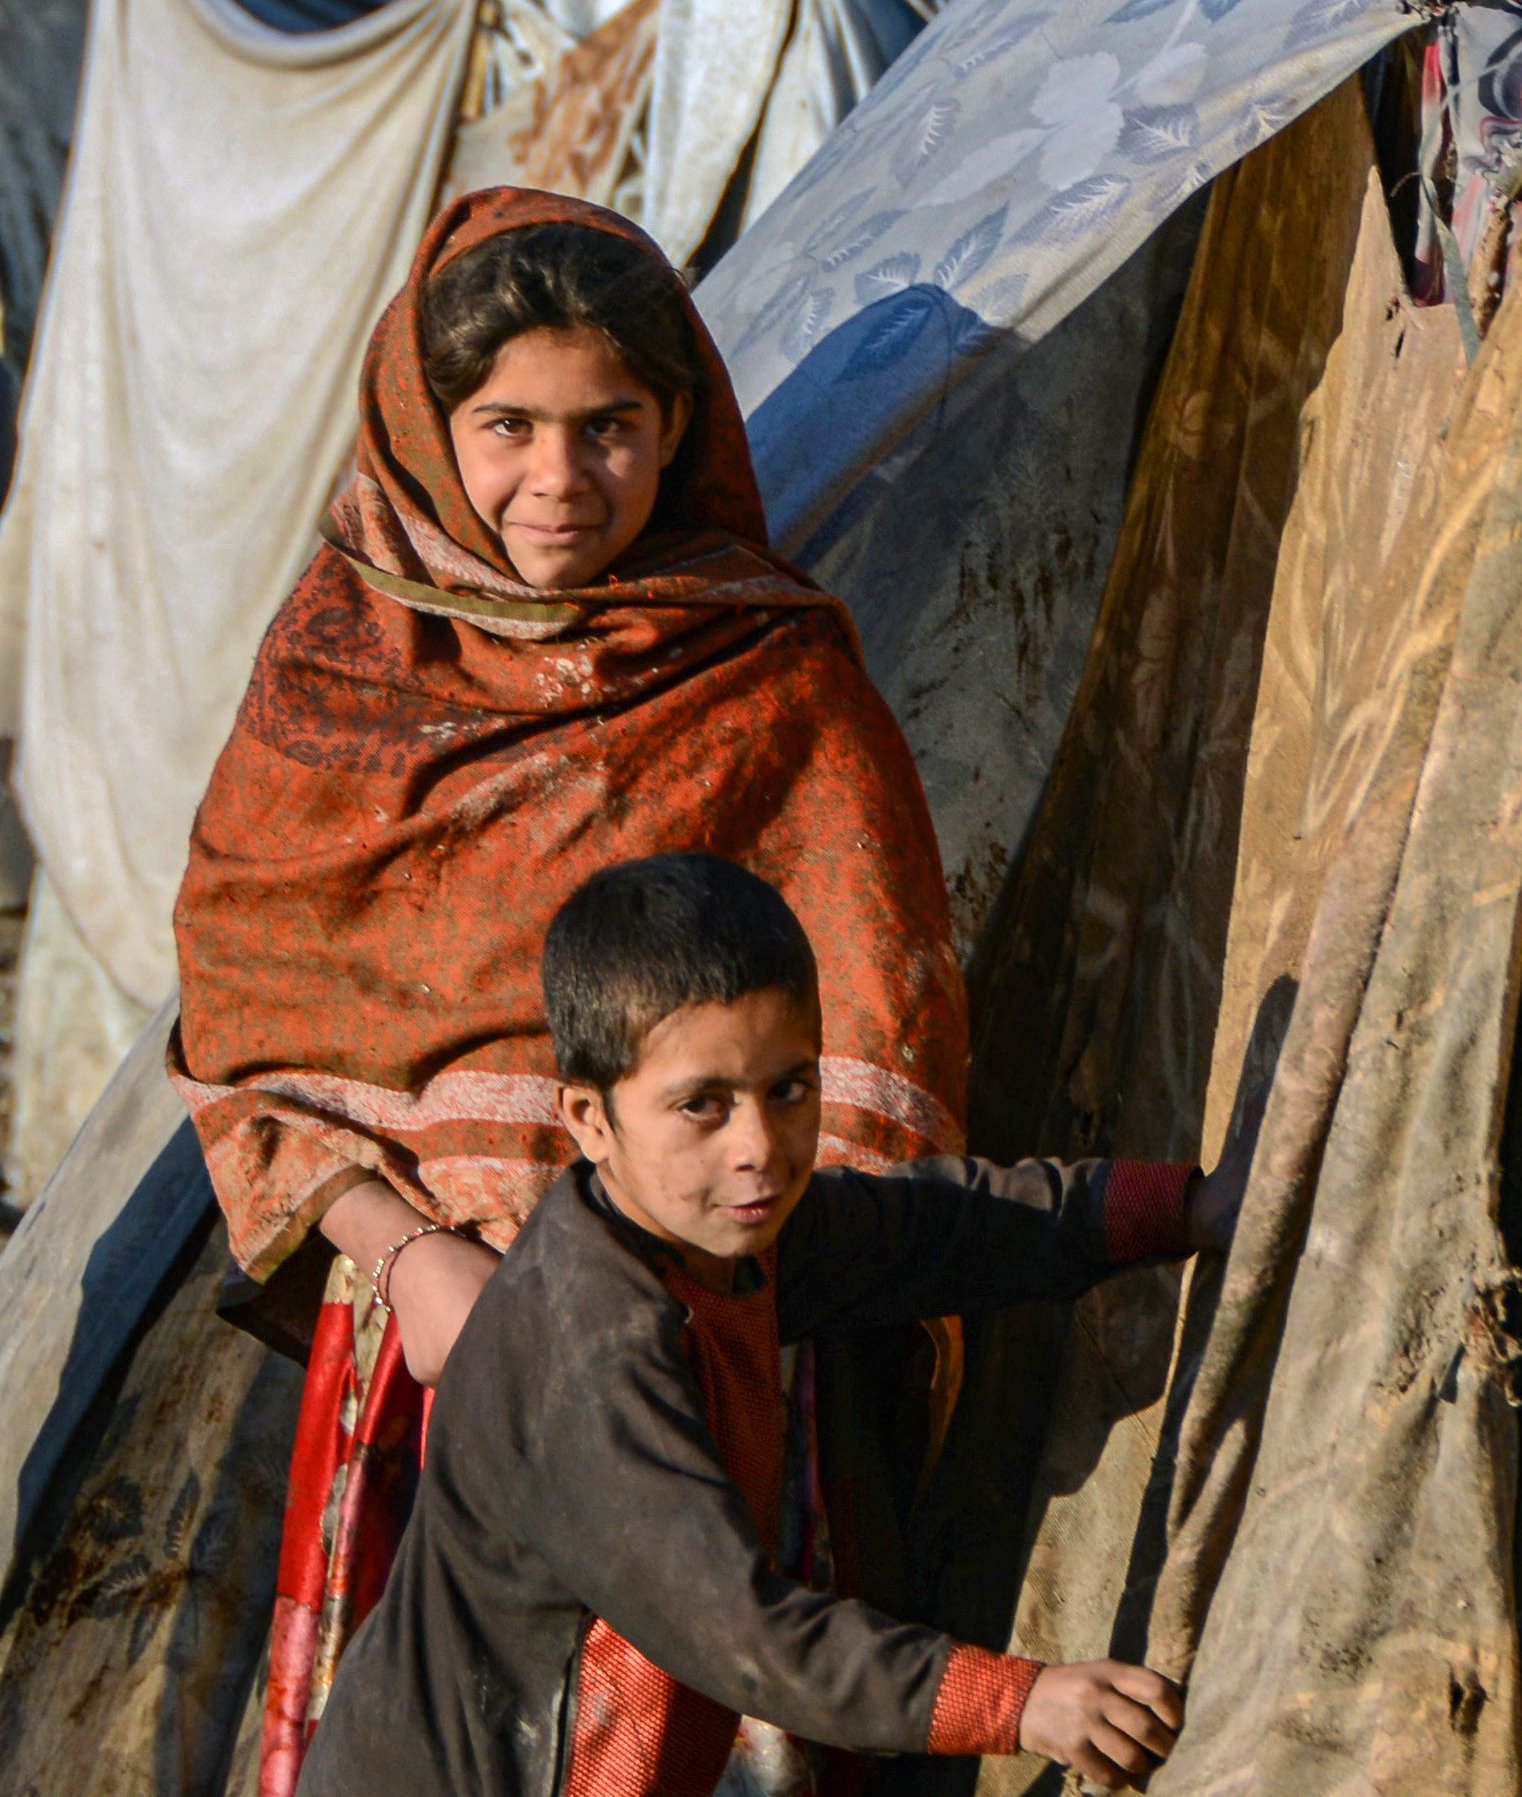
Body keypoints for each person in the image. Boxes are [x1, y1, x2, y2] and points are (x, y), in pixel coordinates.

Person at [166, 189, 980, 1786]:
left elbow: (874, 1021)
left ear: (677, 424)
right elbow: (248, 1033)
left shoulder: (769, 676)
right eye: (508, 427)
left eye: (608, 426)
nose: (558, 480)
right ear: (424, 425)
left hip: (709, 1361)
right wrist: (407, 1259)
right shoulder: (338, 675)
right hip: (434, 1354)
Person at [297, 854, 1232, 1794]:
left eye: (787, 1089)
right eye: (701, 1105)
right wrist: (1022, 1703)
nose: (760, 1149)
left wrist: (1179, 1209)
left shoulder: (720, 1237)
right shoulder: (584, 1355)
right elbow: (742, 1633)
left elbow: (936, 1231)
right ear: (588, 1118)